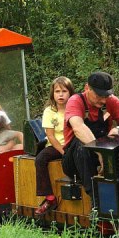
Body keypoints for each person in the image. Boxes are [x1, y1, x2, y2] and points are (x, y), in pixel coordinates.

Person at [38, 72, 119, 214]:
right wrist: (100, 152)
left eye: (106, 96)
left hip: (103, 153)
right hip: (73, 159)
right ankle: (96, 203)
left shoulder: (110, 101)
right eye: (99, 95)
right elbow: (78, 128)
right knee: (81, 145)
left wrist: (118, 129)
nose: (103, 100)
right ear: (87, 88)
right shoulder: (75, 101)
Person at [34, 76, 75, 215]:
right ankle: (49, 198)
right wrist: (64, 152)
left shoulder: (75, 108)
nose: (61, 94)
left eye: (64, 91)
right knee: (40, 159)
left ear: (70, 93)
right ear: (53, 94)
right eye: (57, 91)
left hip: (73, 144)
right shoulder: (49, 111)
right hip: (56, 145)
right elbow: (50, 136)